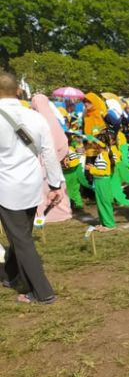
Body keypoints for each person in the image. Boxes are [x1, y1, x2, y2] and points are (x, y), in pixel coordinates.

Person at [0, 72, 62, 304]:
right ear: (18, 91)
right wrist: (55, 185)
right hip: (32, 184)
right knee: (21, 235)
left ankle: (42, 292)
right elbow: (49, 153)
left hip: (6, 186)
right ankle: (11, 274)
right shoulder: (36, 117)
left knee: (22, 240)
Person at [31, 94, 72, 222]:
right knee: (55, 186)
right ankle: (59, 212)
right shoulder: (51, 119)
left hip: (41, 160)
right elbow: (62, 142)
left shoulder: (34, 120)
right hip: (51, 161)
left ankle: (46, 213)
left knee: (46, 188)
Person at [85, 134, 116, 232]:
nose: (93, 145)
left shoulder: (103, 155)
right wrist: (93, 167)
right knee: (100, 203)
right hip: (99, 182)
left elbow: (104, 172)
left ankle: (109, 224)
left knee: (104, 202)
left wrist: (91, 169)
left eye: (95, 143)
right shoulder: (101, 155)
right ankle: (103, 223)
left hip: (102, 182)